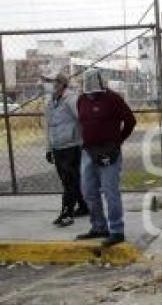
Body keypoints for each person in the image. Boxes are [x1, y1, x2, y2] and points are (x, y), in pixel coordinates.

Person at [75, 70, 136, 246]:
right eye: (89, 92)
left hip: (110, 152)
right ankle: (98, 227)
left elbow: (130, 120)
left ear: (101, 86)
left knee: (110, 192)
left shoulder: (113, 99)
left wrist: (118, 141)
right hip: (88, 152)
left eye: (95, 92)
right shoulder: (81, 100)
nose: (92, 95)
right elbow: (82, 123)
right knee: (88, 191)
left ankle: (117, 230)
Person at [44, 74, 88, 226]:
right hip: (58, 147)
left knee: (70, 180)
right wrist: (49, 149)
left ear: (62, 84)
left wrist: (84, 140)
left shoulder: (71, 99)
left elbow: (83, 119)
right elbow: (48, 127)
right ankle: (84, 206)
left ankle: (66, 213)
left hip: (72, 146)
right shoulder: (50, 102)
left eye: (51, 81)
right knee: (69, 180)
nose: (49, 85)